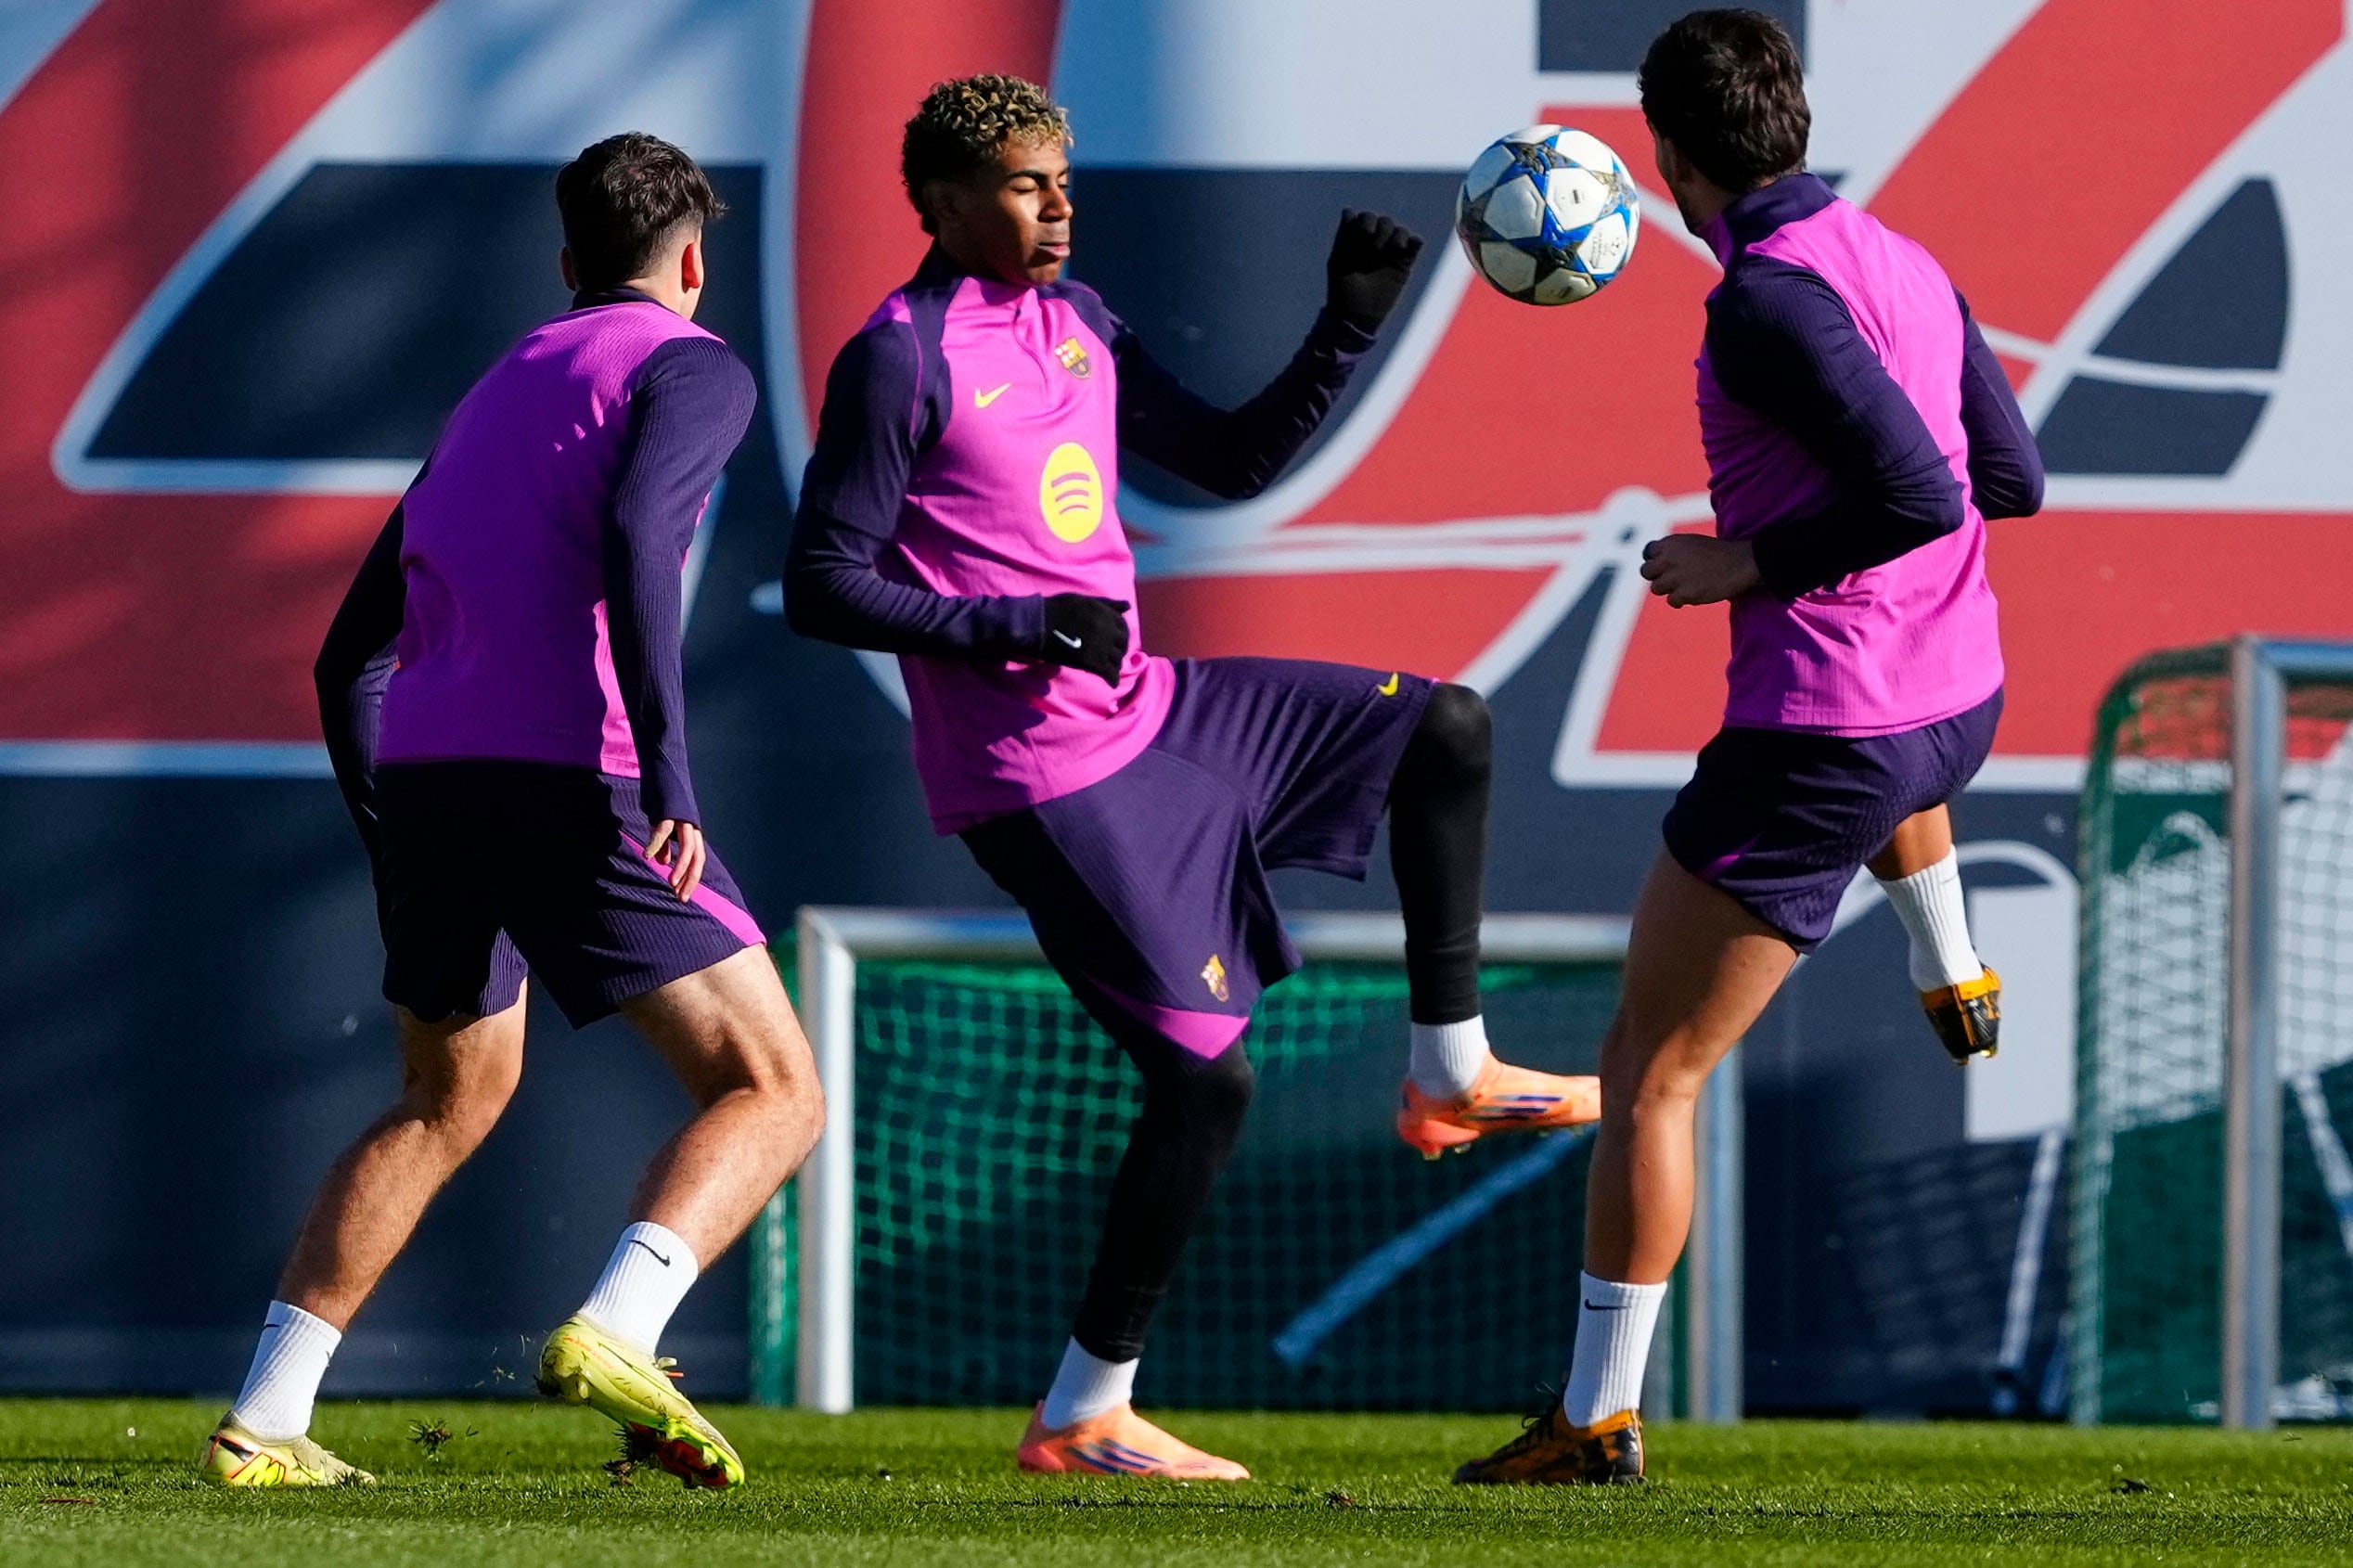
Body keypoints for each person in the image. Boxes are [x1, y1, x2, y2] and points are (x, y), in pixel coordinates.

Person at [786, 73, 1600, 1481]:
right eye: (1026, 186)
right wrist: (1016, 627)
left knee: (1446, 725)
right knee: (1208, 1090)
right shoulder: (899, 357)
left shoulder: (1082, 323)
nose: (1057, 208)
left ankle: (1449, 1070)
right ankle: (1083, 1412)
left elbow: (1228, 457)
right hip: (1038, 777)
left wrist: (1345, 326)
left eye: (1063, 181)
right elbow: (821, 580)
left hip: (1160, 711)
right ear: (938, 201)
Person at [1452, 8, 2042, 1485]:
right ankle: (1949, 956)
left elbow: (1917, 493)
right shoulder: (1903, 255)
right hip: (1954, 708)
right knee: (1897, 760)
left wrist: (1745, 562)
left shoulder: (1764, 301)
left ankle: (1595, 1419)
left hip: (1825, 741)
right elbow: (2012, 481)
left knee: (1649, 1066)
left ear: (1667, 156)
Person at [199, 133, 823, 1490]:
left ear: (564, 265)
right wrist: (671, 772)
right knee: (773, 1086)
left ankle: (267, 1419)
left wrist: (392, 828)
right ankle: (619, 1327)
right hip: (574, 770)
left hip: (430, 782)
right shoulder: (694, 364)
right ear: (695, 261)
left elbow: (342, 654)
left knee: (442, 1095)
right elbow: (644, 543)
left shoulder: (495, 387)